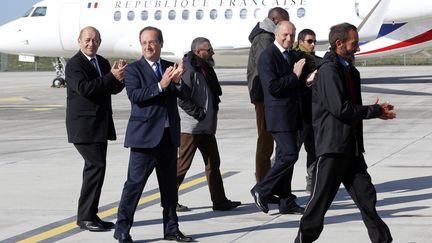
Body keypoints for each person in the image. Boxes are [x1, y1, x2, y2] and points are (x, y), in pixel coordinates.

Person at [295, 23, 395, 243]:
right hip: (333, 148)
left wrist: (372, 112)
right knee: (318, 204)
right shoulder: (329, 70)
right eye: (354, 43)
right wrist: (374, 111)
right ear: (339, 44)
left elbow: (349, 108)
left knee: (367, 199)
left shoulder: (349, 70)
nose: (357, 48)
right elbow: (340, 108)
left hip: (351, 148)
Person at [114, 26, 193, 243]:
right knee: (134, 186)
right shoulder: (133, 70)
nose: (148, 46)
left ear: (161, 44)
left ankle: (171, 229)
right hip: (144, 139)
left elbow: (184, 96)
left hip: (168, 138)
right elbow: (135, 96)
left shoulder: (170, 67)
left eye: (152, 42)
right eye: (144, 43)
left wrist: (177, 82)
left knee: (169, 188)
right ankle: (122, 228)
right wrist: (161, 84)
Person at [65, 26, 126, 231]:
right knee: (95, 167)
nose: (91, 43)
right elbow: (85, 89)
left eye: (95, 40)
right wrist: (110, 77)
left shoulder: (102, 62)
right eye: (87, 40)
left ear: (100, 42)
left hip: (100, 125)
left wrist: (120, 77)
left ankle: (91, 214)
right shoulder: (74, 65)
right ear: (79, 41)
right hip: (84, 127)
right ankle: (84, 217)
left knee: (97, 169)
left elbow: (111, 89)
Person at [175, 37, 241, 212]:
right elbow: (182, 99)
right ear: (198, 52)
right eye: (209, 49)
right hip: (191, 128)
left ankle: (219, 201)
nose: (212, 52)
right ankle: (169, 199)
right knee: (183, 164)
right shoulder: (189, 70)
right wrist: (199, 114)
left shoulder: (205, 68)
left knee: (213, 163)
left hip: (205, 126)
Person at [250, 21, 307, 215]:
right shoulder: (268, 56)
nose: (289, 39)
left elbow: (293, 84)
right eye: (285, 35)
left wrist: (305, 80)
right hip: (278, 115)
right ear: (276, 35)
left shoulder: (291, 54)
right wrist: (295, 75)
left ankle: (286, 201)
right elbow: (272, 87)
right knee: (291, 155)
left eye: (292, 35)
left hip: (292, 113)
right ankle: (261, 189)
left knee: (285, 158)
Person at [246, 7, 290, 189]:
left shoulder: (267, 36)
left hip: (266, 96)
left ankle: (266, 180)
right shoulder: (265, 38)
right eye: (282, 22)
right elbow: (268, 69)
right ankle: (263, 182)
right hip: (265, 97)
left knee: (269, 140)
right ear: (274, 19)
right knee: (265, 140)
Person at [292, 28, 321, 194]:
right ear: (301, 42)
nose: (313, 44)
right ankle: (270, 181)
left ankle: (312, 185)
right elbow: (295, 85)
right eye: (309, 41)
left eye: (314, 41)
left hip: (313, 114)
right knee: (290, 153)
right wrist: (308, 80)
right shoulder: (297, 59)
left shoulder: (314, 60)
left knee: (314, 152)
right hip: (300, 115)